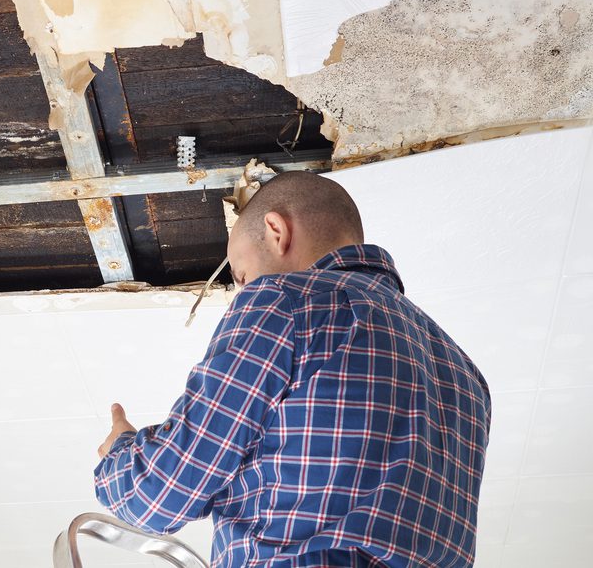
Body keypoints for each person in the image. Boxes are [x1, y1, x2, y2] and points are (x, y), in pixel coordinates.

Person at [93, 171, 491, 567]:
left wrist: (120, 451)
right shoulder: (468, 376)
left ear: (276, 230)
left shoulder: (283, 301)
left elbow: (159, 495)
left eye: (241, 275)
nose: (243, 289)